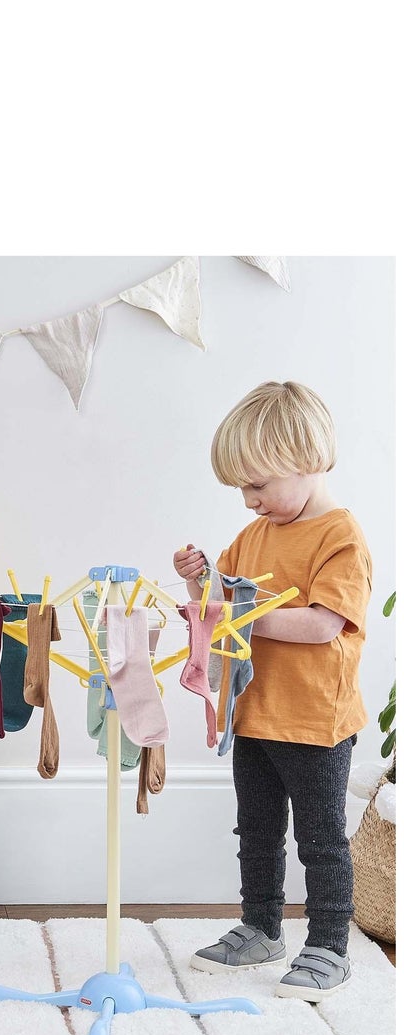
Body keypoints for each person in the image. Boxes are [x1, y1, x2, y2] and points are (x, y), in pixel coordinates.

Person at [173, 380, 371, 1002]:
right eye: (240, 488)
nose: (249, 500)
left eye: (258, 485)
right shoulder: (254, 536)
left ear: (307, 459)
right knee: (255, 830)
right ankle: (261, 927)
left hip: (315, 718)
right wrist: (201, 582)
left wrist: (237, 615)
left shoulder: (340, 538)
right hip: (253, 711)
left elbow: (320, 626)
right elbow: (218, 602)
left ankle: (328, 944)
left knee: (319, 837)